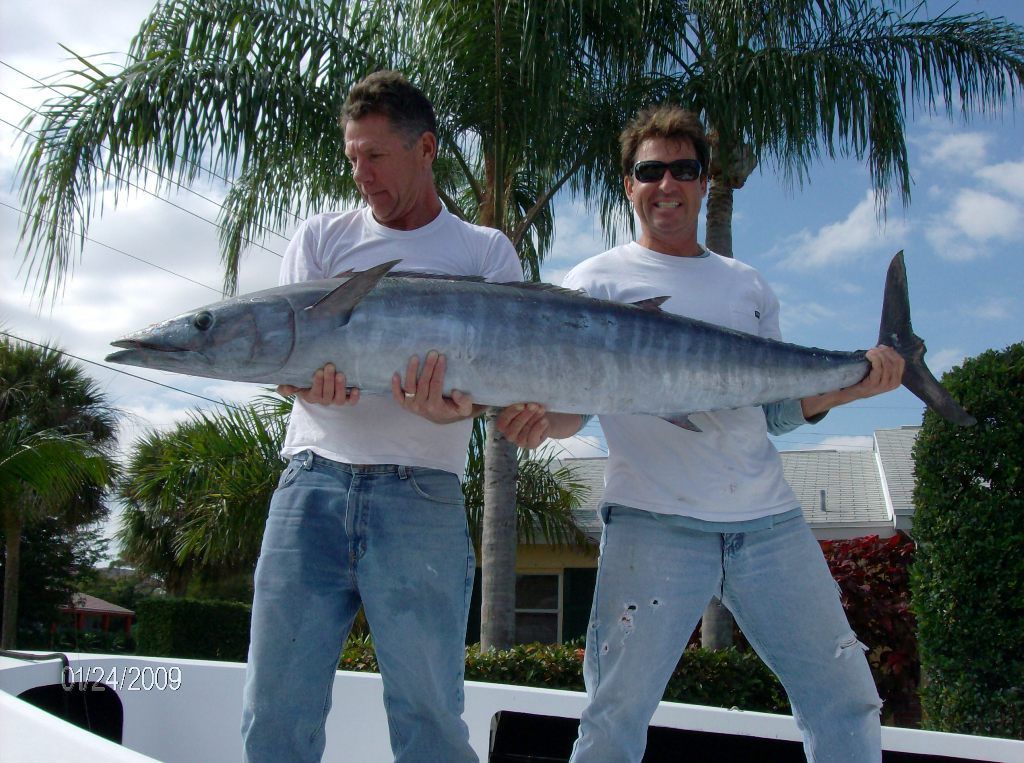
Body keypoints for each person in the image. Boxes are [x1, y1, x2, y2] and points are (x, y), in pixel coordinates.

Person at [497, 105, 903, 763]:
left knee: (845, 699)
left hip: (767, 523)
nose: (667, 184)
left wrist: (854, 381)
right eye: (650, 170)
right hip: (652, 522)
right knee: (614, 716)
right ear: (628, 183)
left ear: (704, 180)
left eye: (682, 169)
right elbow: (574, 407)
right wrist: (540, 423)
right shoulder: (594, 282)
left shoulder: (745, 286)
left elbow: (772, 411)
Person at [241, 70, 523, 763]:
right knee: (274, 711)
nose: (360, 173)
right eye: (352, 156)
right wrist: (306, 389)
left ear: (424, 147)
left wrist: (465, 405)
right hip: (311, 483)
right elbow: (286, 366)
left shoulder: (484, 253)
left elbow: (507, 378)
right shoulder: (322, 238)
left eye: (376, 156)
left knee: (429, 716)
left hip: (420, 492)